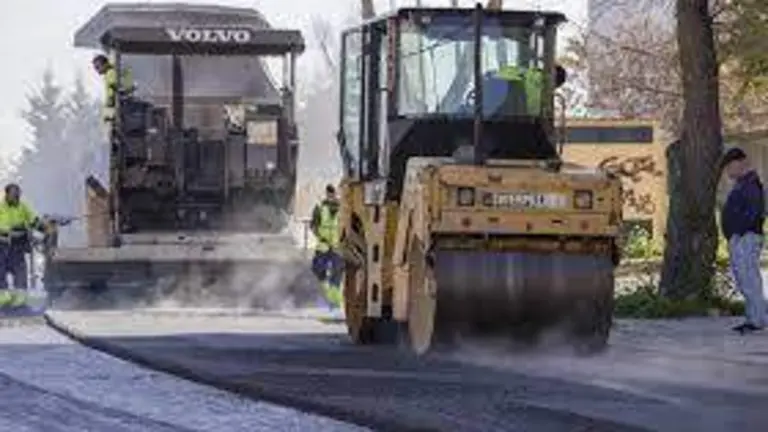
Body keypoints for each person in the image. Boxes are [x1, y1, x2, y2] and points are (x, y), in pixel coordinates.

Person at [720, 147, 767, 334]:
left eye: (730, 167)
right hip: (741, 238)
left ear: (740, 163)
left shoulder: (751, 183)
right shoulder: (742, 183)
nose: (728, 172)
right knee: (744, 280)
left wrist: (738, 234)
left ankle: (757, 320)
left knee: (749, 279)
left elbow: (754, 212)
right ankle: (752, 318)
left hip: (746, 237)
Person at [0, 183, 47, 308]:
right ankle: (3, 295)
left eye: (18, 195)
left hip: (18, 246)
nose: (16, 198)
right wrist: (8, 231)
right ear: (7, 195)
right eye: (13, 195)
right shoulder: (1, 208)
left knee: (20, 270)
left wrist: (43, 227)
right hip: (3, 246)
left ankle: (20, 296)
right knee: (1, 270)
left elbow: (33, 220)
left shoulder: (23, 207)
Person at [310, 184, 343, 310]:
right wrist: (319, 235)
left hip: (337, 246)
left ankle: (334, 302)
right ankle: (329, 297)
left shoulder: (343, 208)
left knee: (337, 274)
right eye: (329, 193)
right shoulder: (320, 207)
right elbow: (314, 225)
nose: (331, 195)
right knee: (318, 270)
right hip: (323, 245)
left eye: (333, 193)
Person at [91, 54, 135, 123]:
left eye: (97, 67)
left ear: (104, 64)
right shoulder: (111, 72)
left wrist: (109, 112)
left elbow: (114, 91)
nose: (97, 70)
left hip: (118, 108)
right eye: (95, 68)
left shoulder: (110, 73)